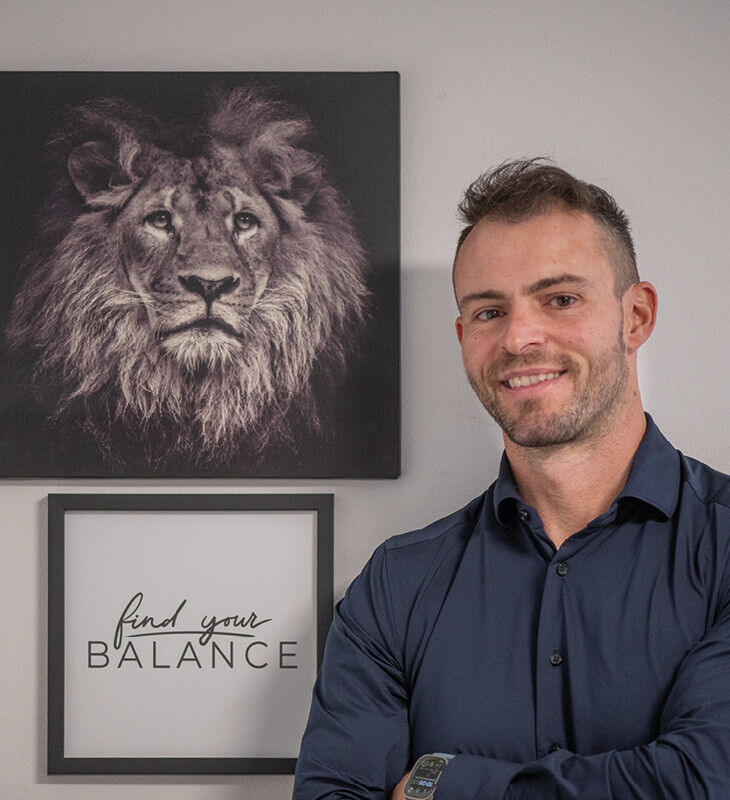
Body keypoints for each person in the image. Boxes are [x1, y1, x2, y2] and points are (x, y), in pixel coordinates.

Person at [292, 159, 730, 799]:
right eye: (489, 310)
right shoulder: (396, 584)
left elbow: (705, 781)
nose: (521, 338)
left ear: (634, 317)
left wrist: (445, 783)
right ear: (464, 334)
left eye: (560, 299)